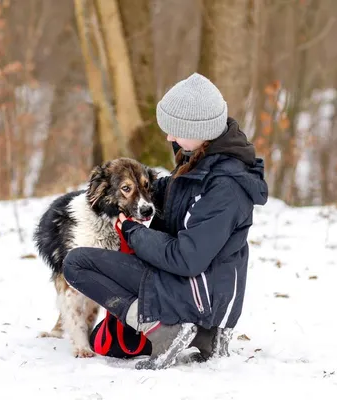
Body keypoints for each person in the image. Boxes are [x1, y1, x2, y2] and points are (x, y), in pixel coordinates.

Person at [63, 72, 268, 369]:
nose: (169, 137)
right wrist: (125, 192)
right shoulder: (199, 161)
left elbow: (187, 258)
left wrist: (132, 231)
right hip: (189, 287)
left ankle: (164, 331)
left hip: (199, 295)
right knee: (103, 338)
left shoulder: (225, 186)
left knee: (77, 263)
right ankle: (201, 336)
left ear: (199, 128)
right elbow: (166, 195)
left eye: (174, 130)